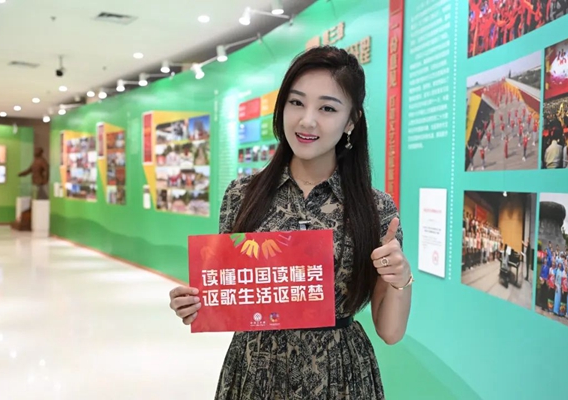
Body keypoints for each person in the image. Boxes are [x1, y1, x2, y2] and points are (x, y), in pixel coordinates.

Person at [169, 46, 413, 399]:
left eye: (327, 108)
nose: (307, 120)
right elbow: (232, 295)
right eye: (296, 102)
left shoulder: (375, 208)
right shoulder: (242, 194)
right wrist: (195, 302)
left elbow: (390, 331)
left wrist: (400, 278)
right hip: (256, 371)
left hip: (339, 376)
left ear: (351, 121)